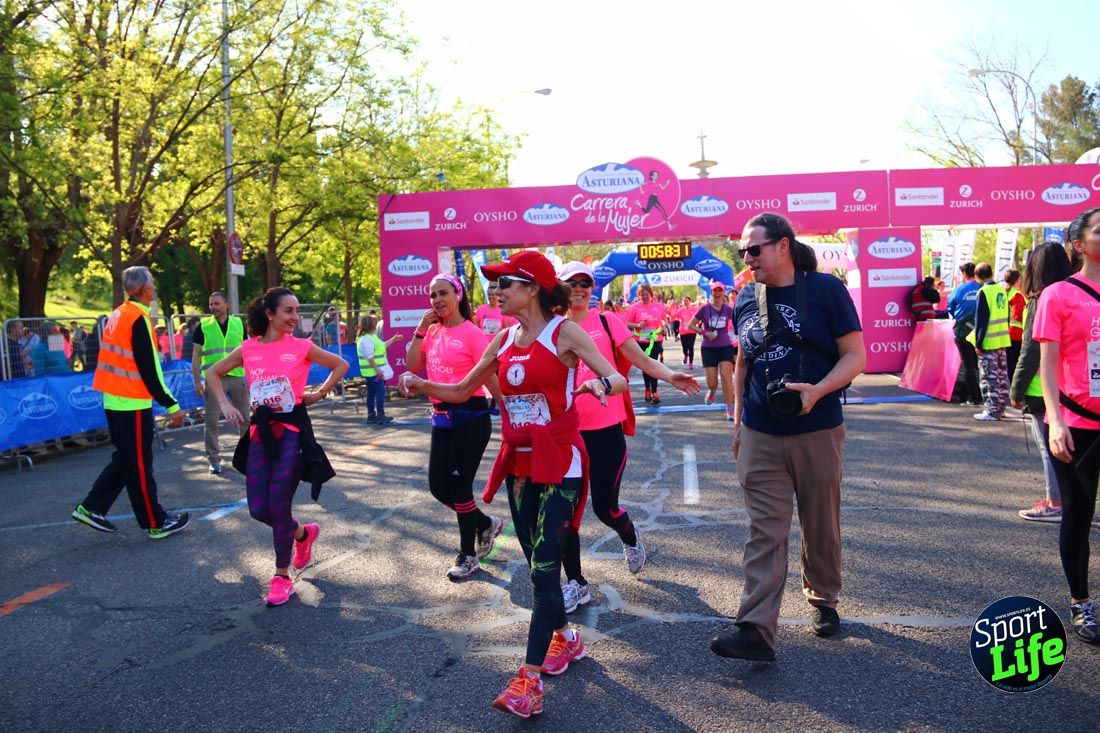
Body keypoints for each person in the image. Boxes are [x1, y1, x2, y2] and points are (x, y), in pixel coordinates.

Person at [400, 250, 628, 718]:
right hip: (518, 469)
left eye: (506, 283)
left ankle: (528, 681)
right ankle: (566, 638)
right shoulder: (502, 339)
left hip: (560, 466)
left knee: (544, 571)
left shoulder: (564, 332)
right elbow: (463, 390)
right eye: (496, 284)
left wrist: (599, 387)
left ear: (534, 289)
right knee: (536, 569)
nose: (497, 291)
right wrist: (421, 385)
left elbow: (618, 378)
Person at [710, 212, 865, 662]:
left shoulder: (826, 290)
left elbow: (856, 356)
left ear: (783, 246)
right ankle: (756, 628)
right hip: (760, 430)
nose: (747, 257)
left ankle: (823, 599)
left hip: (817, 428)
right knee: (765, 531)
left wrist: (817, 391)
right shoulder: (744, 297)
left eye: (754, 249)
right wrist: (738, 422)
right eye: (743, 251)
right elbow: (743, 362)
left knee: (820, 523)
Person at [557, 261, 699, 612]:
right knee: (564, 513)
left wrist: (670, 377)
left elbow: (642, 361)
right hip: (566, 435)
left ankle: (630, 536)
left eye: (585, 282)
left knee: (605, 508)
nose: (579, 288)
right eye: (571, 282)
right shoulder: (552, 328)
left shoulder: (607, 322)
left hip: (605, 431)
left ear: (593, 288)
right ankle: (576, 582)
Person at [206, 287, 348, 606]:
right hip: (260, 430)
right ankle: (302, 534)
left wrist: (319, 393)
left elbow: (340, 365)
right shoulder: (248, 348)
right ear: (270, 313)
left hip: (293, 430)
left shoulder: (301, 346)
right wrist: (226, 405)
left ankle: (281, 576)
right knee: (259, 509)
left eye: (297, 311)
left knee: (279, 504)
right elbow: (213, 373)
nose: (295, 318)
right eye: (288, 311)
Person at [70, 266, 191, 539]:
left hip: (116, 398)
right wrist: (172, 405)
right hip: (131, 401)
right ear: (145, 289)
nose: (156, 289)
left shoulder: (119, 313)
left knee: (127, 459)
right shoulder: (137, 318)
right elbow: (147, 368)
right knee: (138, 464)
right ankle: (156, 522)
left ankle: (92, 507)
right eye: (154, 285)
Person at [405, 273, 505, 580]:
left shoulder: (472, 334)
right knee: (439, 487)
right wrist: (420, 331)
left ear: (458, 295)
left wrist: (505, 406)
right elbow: (412, 365)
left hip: (470, 417)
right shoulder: (432, 332)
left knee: (460, 487)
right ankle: (485, 524)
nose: (437, 300)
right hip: (441, 418)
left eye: (443, 293)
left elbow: (489, 374)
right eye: (433, 295)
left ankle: (468, 555)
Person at [1034, 206, 1100, 645]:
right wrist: (1056, 421)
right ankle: (1081, 602)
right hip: (1076, 422)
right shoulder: (1058, 295)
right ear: (1079, 244)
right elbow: (1049, 365)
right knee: (1079, 514)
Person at [1010, 243, 1074, 522]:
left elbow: (1031, 349)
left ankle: (1056, 501)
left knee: (1050, 448)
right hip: (1077, 386)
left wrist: (1016, 388)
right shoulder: (1078, 292)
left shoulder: (1041, 300)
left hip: (1043, 388)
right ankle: (1071, 500)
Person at [192, 291, 250, 474]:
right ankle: (214, 459)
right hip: (214, 379)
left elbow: (247, 351)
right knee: (212, 421)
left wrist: (251, 376)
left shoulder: (238, 323)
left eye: (216, 303)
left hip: (236, 376)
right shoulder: (204, 326)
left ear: (226, 305)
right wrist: (197, 382)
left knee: (245, 418)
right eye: (210, 304)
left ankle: (247, 455)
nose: (213, 307)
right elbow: (195, 356)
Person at [968, 263, 1011, 421]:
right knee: (1001, 376)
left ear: (977, 276)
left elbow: (981, 320)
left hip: (988, 341)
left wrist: (978, 343)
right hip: (1002, 339)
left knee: (988, 377)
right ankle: (1001, 407)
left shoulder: (983, 291)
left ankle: (992, 410)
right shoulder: (1001, 290)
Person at [689, 282, 738, 421]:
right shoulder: (704, 309)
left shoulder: (728, 309)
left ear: (723, 293)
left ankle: (729, 409)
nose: (717, 294)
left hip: (725, 346)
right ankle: (712, 391)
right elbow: (690, 325)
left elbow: (738, 321)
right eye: (714, 291)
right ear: (711, 293)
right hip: (709, 348)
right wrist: (705, 332)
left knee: (726, 377)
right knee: (712, 382)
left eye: (720, 291)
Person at [625, 284, 667, 404]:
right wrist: (638, 325)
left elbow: (664, 320)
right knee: (645, 366)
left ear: (651, 294)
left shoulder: (658, 306)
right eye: (642, 295)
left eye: (646, 294)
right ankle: (647, 389)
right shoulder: (634, 308)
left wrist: (665, 327)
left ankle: (655, 392)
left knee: (653, 365)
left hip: (655, 340)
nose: (644, 297)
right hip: (641, 341)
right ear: (639, 296)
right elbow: (627, 323)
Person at [356, 314, 402, 424]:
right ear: (372, 326)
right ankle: (380, 415)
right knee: (380, 393)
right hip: (374, 372)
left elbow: (383, 345)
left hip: (372, 372)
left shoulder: (370, 337)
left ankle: (371, 416)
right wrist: (377, 370)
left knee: (372, 394)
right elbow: (369, 356)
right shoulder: (367, 339)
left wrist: (393, 339)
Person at [948, 262, 982, 406]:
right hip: (980, 331)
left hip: (963, 332)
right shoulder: (983, 288)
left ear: (964, 274)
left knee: (968, 365)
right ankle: (981, 395)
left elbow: (950, 309)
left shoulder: (958, 290)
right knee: (979, 364)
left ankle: (973, 397)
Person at [1004, 269, 1026, 378]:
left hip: (1009, 332)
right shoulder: (1017, 294)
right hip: (1016, 334)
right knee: (1015, 364)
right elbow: (1017, 315)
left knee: (1010, 363)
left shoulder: (1007, 292)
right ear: (1018, 280)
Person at [678, 295, 698, 369]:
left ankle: (691, 362)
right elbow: (673, 316)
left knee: (691, 347)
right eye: (684, 301)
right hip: (683, 331)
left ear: (690, 301)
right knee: (684, 347)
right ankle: (686, 355)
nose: (685, 302)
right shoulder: (681, 310)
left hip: (692, 331)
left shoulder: (695, 309)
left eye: (687, 301)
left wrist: (699, 322)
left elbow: (700, 316)